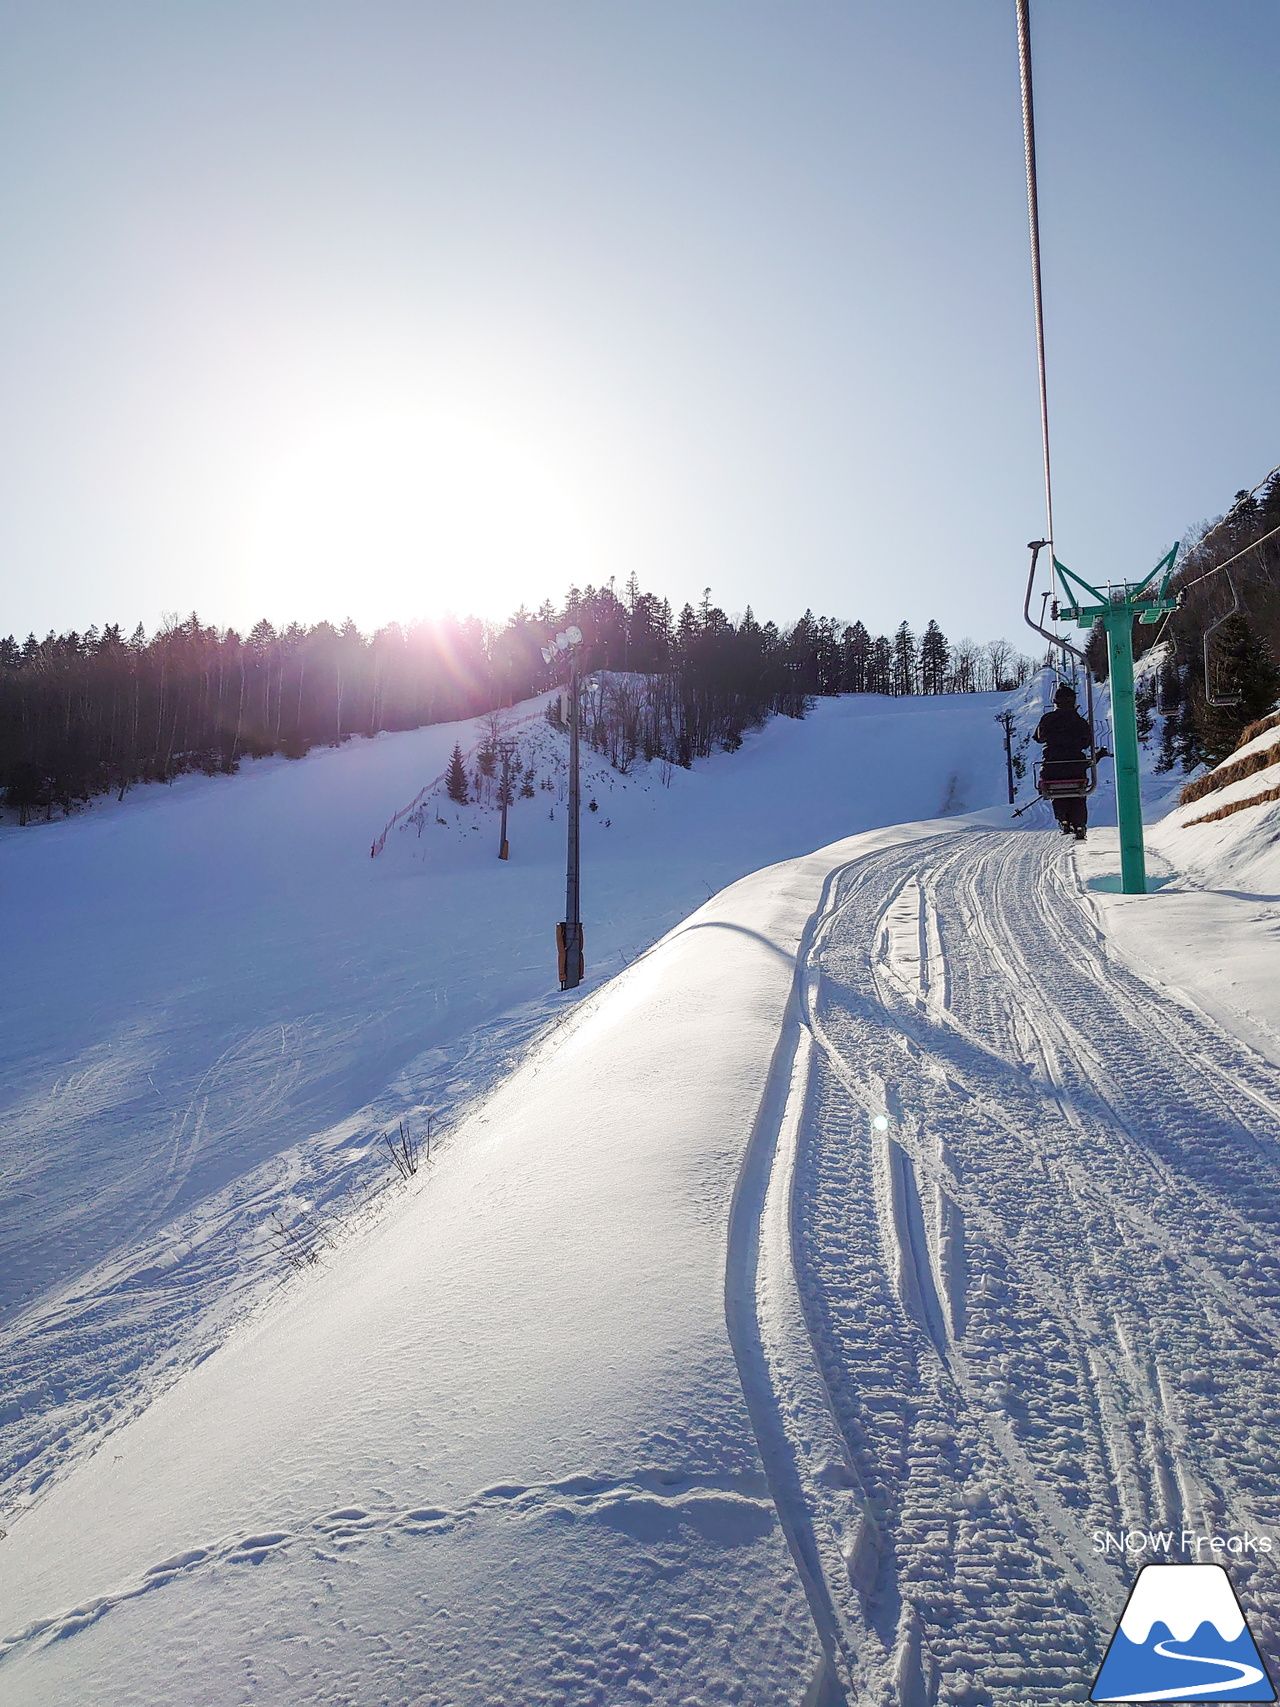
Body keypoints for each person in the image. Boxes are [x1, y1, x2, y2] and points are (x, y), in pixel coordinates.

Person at [1033, 682, 1094, 840]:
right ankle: (1079, 823)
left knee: (1056, 791)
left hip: (1052, 766)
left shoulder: (1047, 719)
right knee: (1078, 794)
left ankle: (1064, 819)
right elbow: (1087, 742)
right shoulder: (1080, 721)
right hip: (1075, 765)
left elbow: (1039, 738)